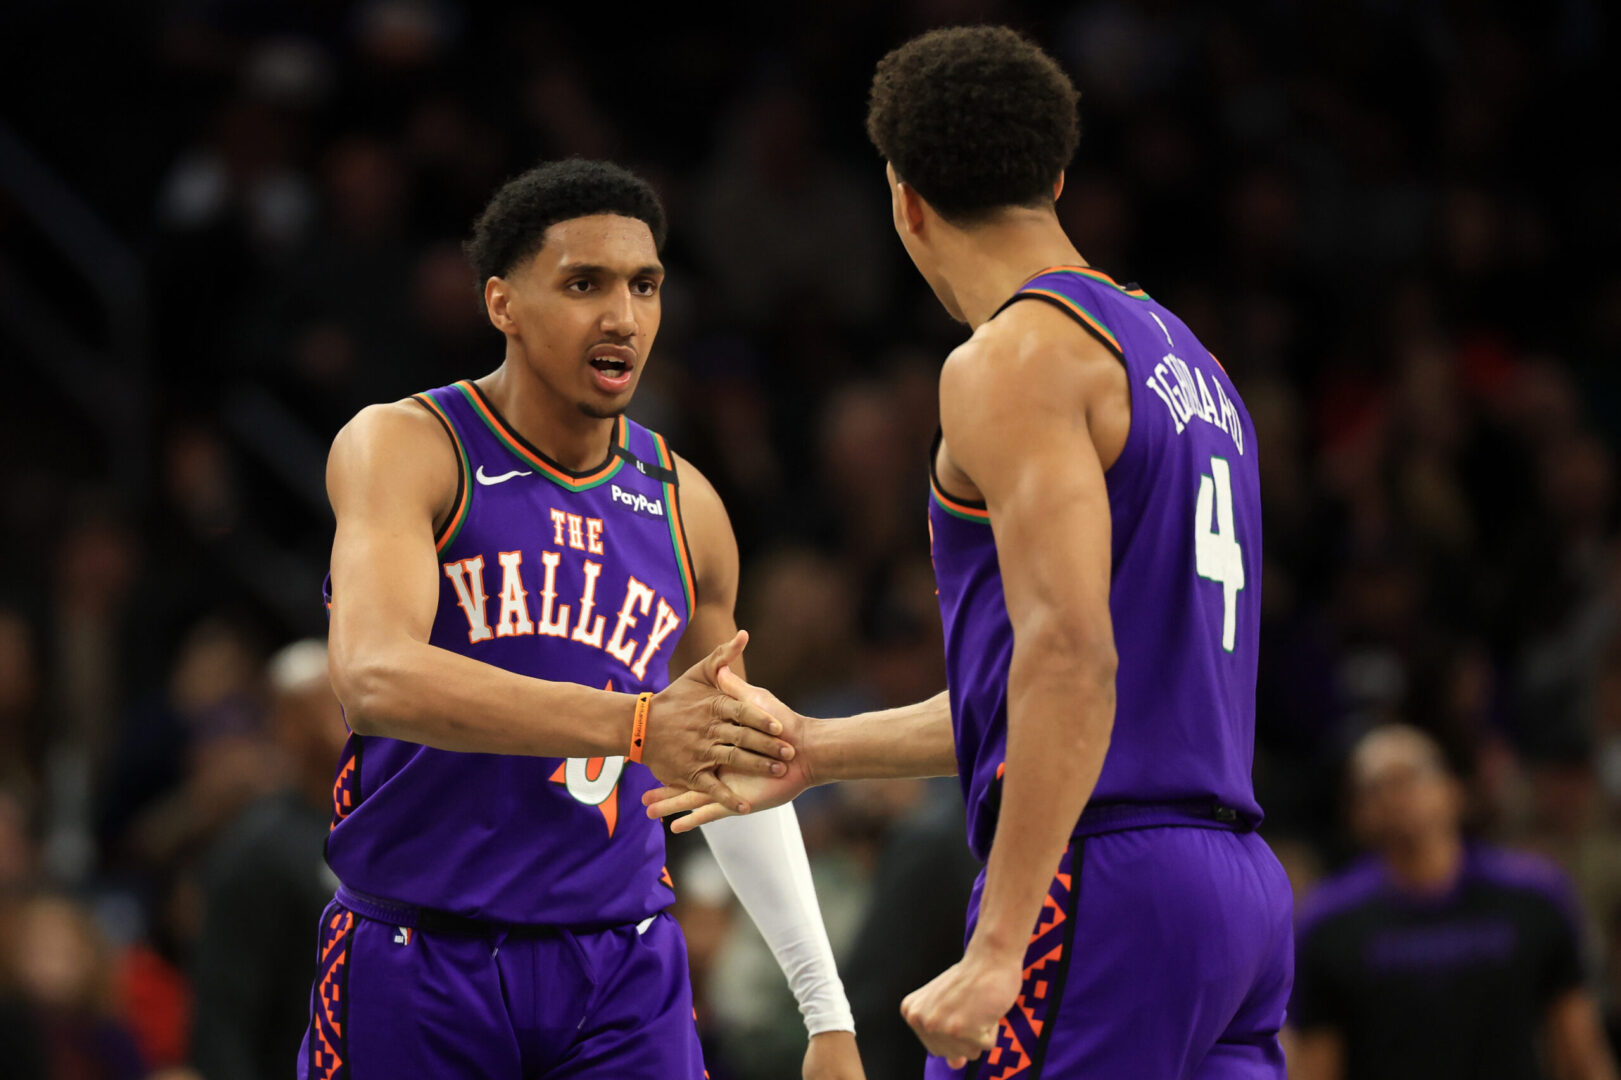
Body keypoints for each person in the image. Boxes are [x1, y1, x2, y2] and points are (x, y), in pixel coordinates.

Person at [648, 25, 1293, 1078]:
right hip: (1237, 894)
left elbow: (1069, 657)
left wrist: (1001, 947)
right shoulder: (1194, 365)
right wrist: (821, 750)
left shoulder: (1015, 357)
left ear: (903, 199)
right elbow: (1073, 695)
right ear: (1055, 174)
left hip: (1101, 883)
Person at [304, 159, 862, 1079]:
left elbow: (726, 760)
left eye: (644, 286)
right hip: (420, 956)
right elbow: (373, 679)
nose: (623, 317)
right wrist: (639, 725)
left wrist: (824, 1010)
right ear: (502, 304)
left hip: (620, 967)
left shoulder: (688, 507)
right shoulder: (408, 446)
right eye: (584, 284)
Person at [1290, 725, 1618, 1080]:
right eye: (1375, 787)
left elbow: (1581, 1052)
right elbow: (1317, 1066)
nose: (1396, 796)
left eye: (1410, 777)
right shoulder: (1331, 922)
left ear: (1453, 790)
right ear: (1358, 815)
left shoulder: (1533, 897)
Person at [191, 640, 346, 1080]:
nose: (350, 719)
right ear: (287, 725)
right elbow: (224, 1012)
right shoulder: (257, 848)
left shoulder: (387, 826)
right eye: (329, 706)